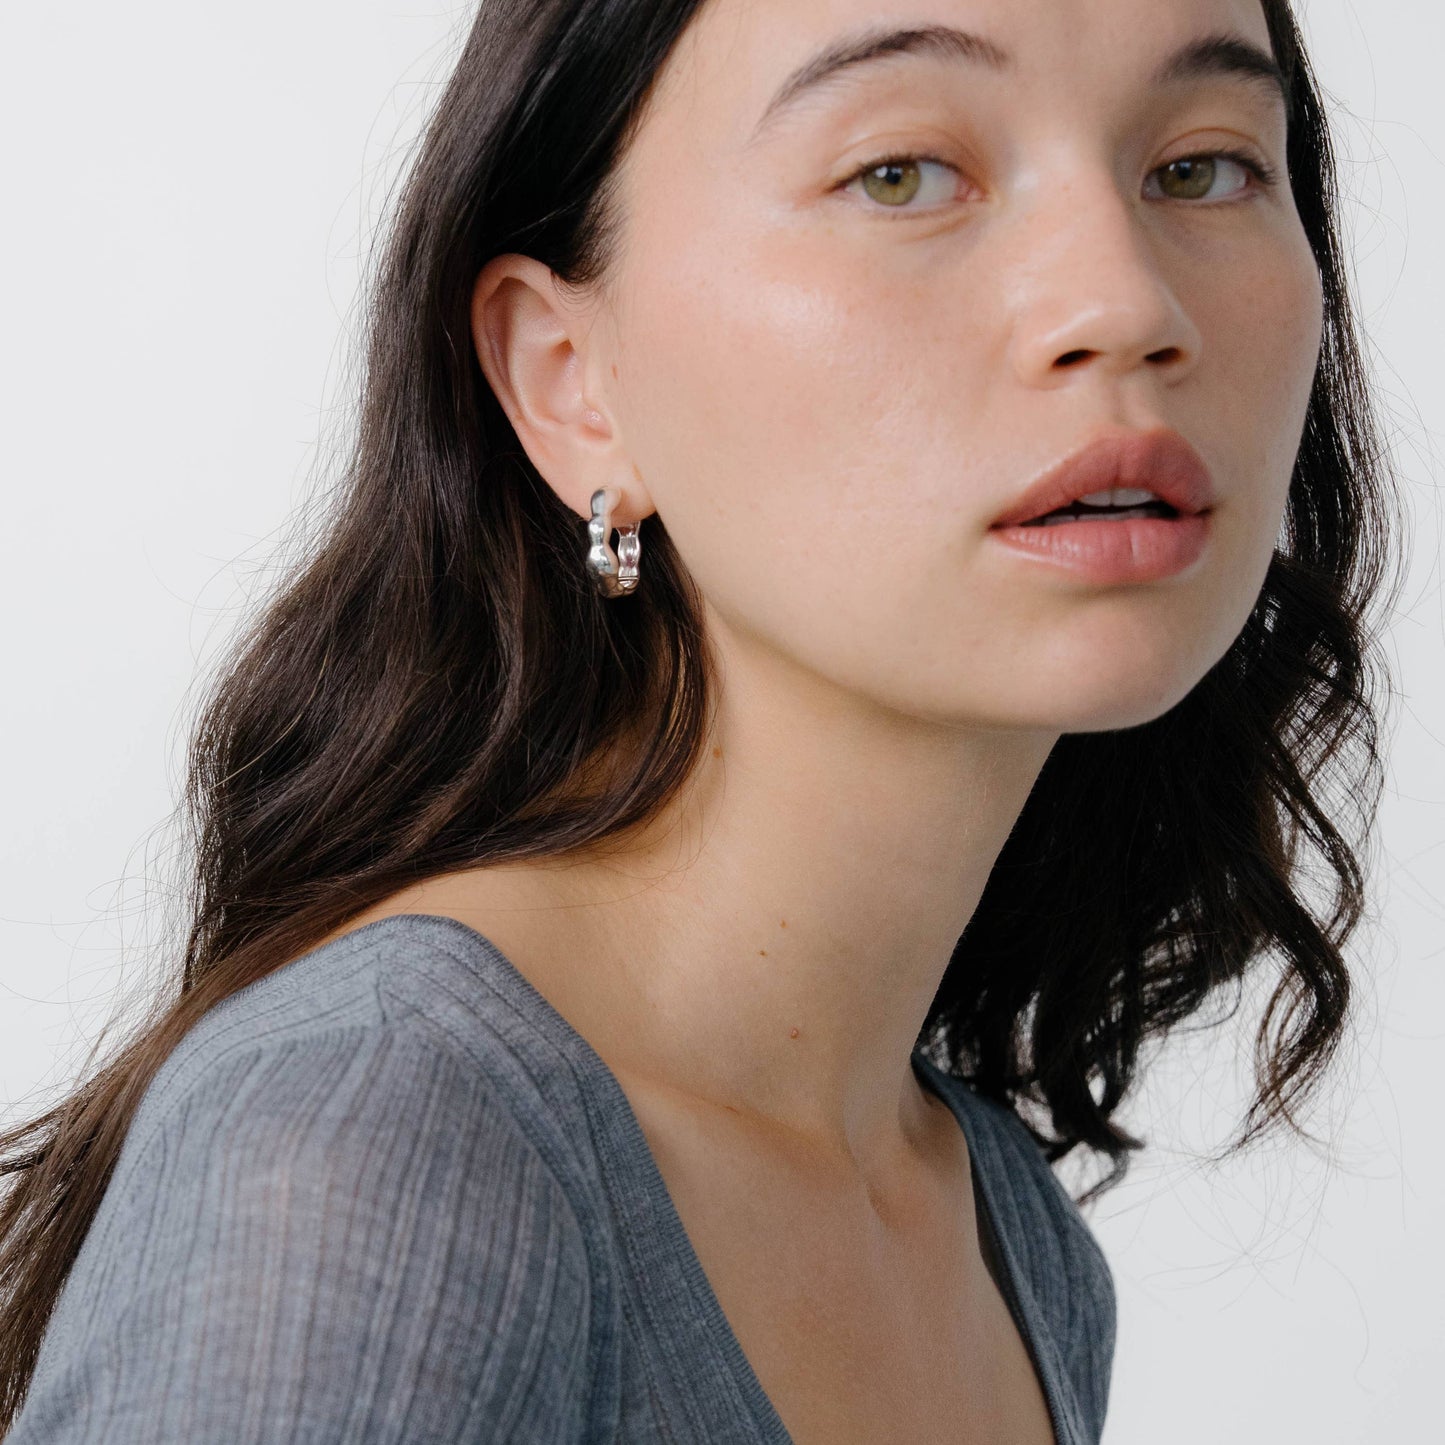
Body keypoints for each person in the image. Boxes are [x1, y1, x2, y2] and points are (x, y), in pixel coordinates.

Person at [0, 0, 1406, 1440]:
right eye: (900, 172)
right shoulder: (369, 1141)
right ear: (569, 381)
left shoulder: (1012, 1245)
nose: (1123, 304)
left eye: (1200, 166)